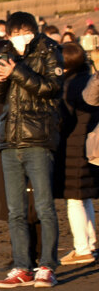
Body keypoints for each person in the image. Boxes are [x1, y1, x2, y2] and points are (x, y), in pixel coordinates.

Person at [0, 11, 64, 288]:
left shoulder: (49, 50)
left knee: (45, 207)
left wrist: (17, 71)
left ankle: (47, 266)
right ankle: (22, 266)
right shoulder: (4, 51)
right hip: (10, 138)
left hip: (38, 137)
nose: (20, 38)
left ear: (34, 30)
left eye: (25, 32)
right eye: (15, 33)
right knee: (16, 210)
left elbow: (51, 88)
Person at [56, 43, 99, 266]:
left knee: (74, 201)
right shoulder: (90, 79)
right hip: (91, 146)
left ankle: (82, 248)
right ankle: (90, 244)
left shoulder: (68, 85)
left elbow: (64, 120)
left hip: (74, 147)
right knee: (86, 198)